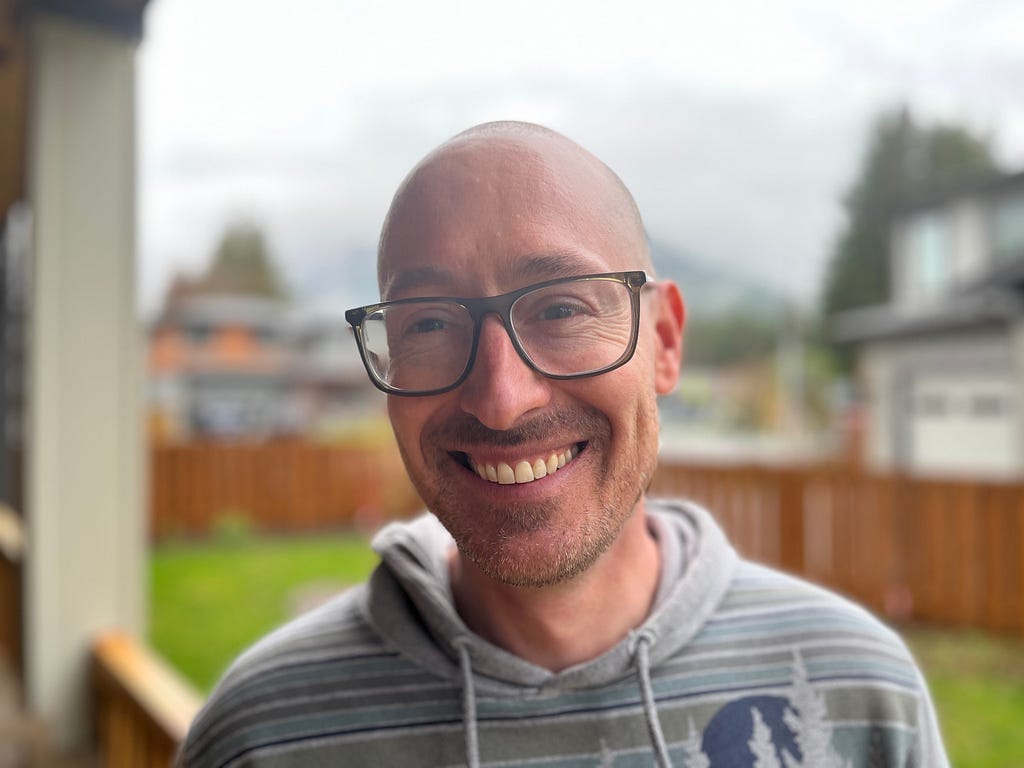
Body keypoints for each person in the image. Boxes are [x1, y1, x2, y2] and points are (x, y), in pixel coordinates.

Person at [178, 122, 948, 767]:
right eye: (431, 325)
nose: (502, 399)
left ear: (666, 342)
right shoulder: (259, 735)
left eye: (563, 309)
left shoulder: (860, 694)